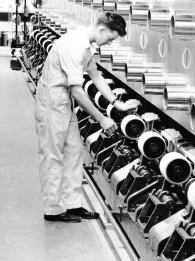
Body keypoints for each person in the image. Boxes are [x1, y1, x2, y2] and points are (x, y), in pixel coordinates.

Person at [35, 12, 137, 222]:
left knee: (73, 151)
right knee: (53, 155)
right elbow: (77, 91)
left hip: (63, 102)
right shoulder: (74, 46)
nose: (108, 43)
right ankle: (53, 209)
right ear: (101, 30)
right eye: (109, 38)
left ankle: (72, 204)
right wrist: (101, 118)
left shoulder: (87, 45)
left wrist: (117, 103)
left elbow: (95, 76)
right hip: (53, 102)